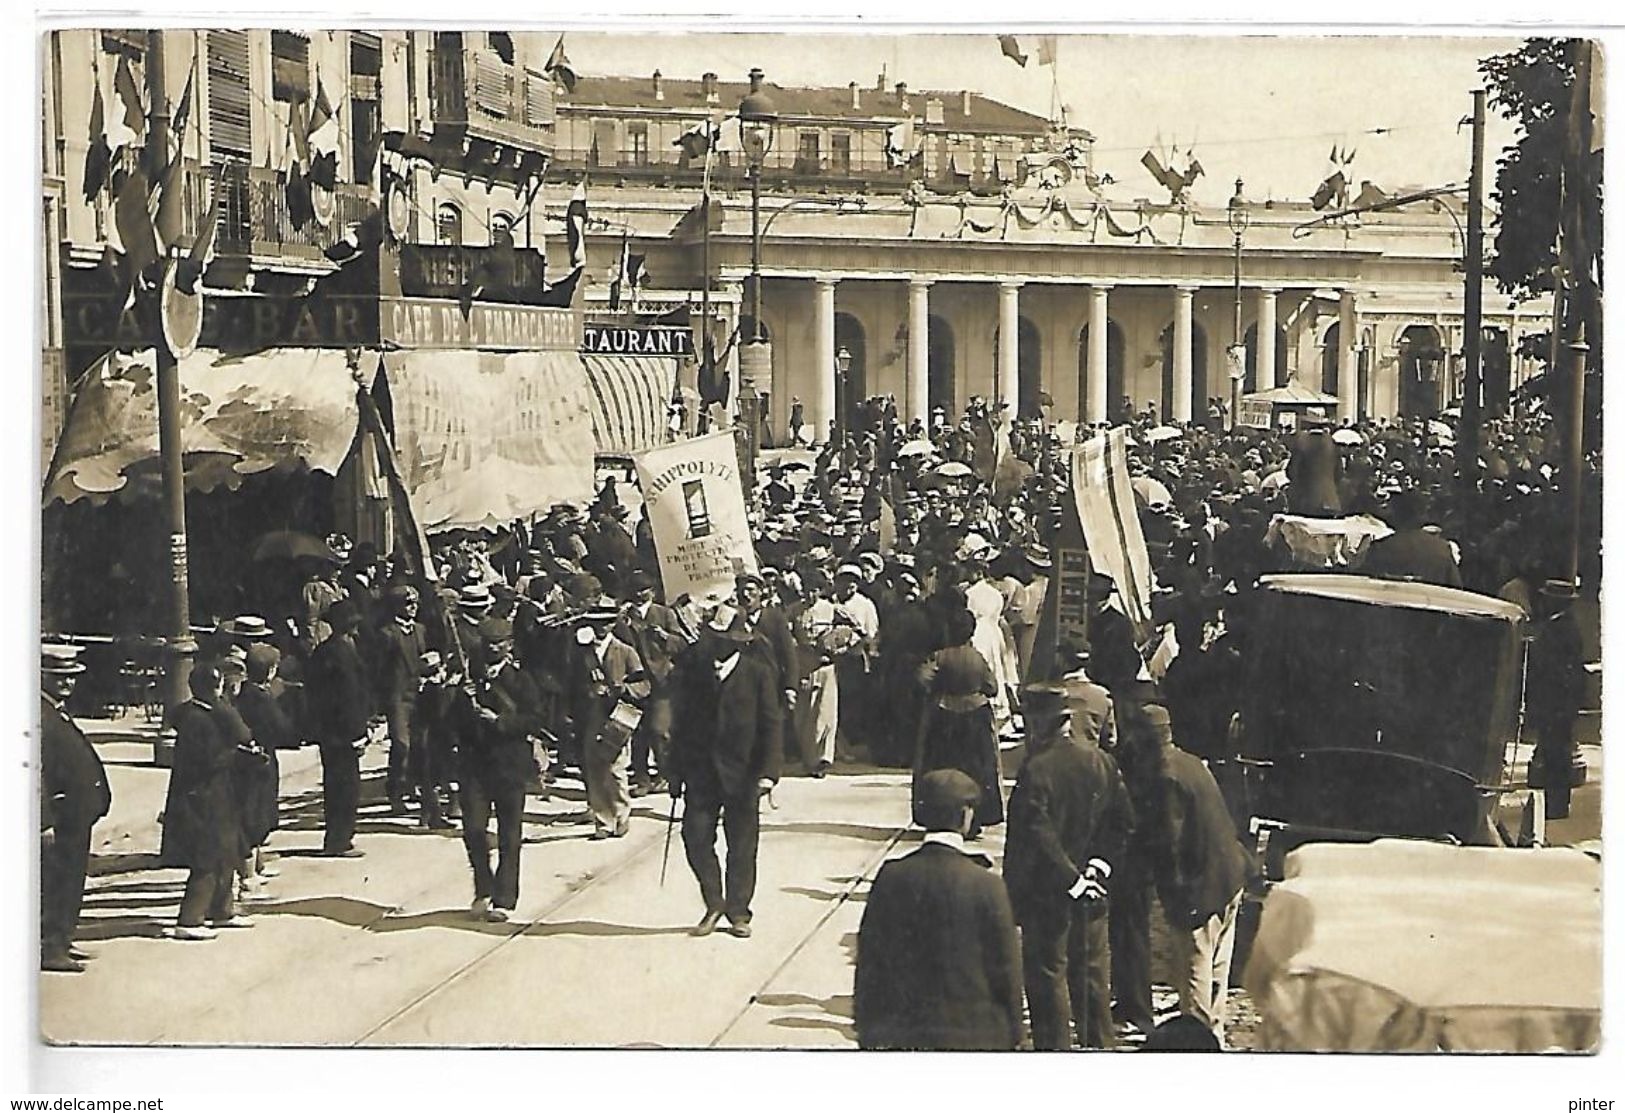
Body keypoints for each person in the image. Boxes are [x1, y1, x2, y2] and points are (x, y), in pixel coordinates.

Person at [1002, 684, 1134, 1050]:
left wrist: (1071, 879)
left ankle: (1055, 1052)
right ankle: (1098, 1047)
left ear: (1039, 722)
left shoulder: (1036, 770)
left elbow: (1037, 834)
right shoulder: (1101, 761)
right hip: (1093, 891)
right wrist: (1097, 868)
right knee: (1092, 974)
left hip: (1046, 894)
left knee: (1048, 976)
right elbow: (1122, 821)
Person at [854, 769, 1023, 1051]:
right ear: (966, 816)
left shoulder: (892, 876)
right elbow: (1006, 971)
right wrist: (1014, 1032)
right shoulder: (987, 885)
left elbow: (871, 960)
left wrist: (867, 1028)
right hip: (973, 1035)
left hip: (904, 1034)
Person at [669, 605, 782, 939]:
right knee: (695, 837)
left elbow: (771, 726)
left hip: (744, 774)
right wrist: (674, 772)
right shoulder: (695, 672)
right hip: (701, 774)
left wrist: (769, 773)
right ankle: (714, 901)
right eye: (716, 640)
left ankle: (738, 911)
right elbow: (681, 725)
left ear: (740, 643)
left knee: (742, 845)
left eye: (727, 641)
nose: (720, 647)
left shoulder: (757, 673)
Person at [1145, 704, 1253, 1044]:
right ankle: (1216, 1039)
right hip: (1230, 878)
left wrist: (1176, 899)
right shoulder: (1189, 762)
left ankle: (1197, 1048)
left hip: (1201, 890)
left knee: (1195, 976)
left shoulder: (1165, 776)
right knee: (1218, 968)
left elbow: (1171, 845)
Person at [460, 617, 543, 921]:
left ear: (509, 645)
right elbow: (449, 722)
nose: (493, 648)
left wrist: (498, 721)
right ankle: (483, 887)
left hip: (509, 765)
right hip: (475, 766)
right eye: (488, 643)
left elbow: (534, 719)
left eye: (499, 642)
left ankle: (504, 899)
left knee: (509, 834)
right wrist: (456, 697)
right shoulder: (469, 679)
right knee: (474, 829)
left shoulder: (522, 680)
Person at [164, 665, 253, 940]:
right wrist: (237, 756)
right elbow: (206, 760)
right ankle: (190, 919)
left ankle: (222, 910)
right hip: (201, 796)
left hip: (217, 793)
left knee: (226, 852)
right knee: (207, 857)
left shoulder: (205, 713)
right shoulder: (196, 720)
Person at [40, 644, 110, 973]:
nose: (68, 683)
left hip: (75, 815)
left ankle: (63, 940)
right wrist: (44, 822)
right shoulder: (38, 715)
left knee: (71, 880)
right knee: (58, 881)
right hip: (59, 817)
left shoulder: (56, 710)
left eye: (71, 677)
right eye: (59, 677)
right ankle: (51, 948)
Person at [913, 607, 1003, 837]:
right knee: (978, 769)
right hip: (976, 717)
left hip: (944, 717)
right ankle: (975, 818)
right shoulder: (977, 657)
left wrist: (938, 689)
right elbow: (992, 688)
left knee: (941, 766)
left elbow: (922, 679)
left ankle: (939, 816)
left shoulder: (939, 655)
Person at [570, 598, 649, 839]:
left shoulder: (625, 651)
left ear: (613, 624)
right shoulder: (581, 651)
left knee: (616, 768)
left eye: (606, 623)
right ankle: (603, 820)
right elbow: (569, 682)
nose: (601, 627)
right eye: (596, 623)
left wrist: (621, 688)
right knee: (593, 768)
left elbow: (644, 686)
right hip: (589, 715)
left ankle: (622, 814)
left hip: (618, 716)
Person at [307, 599, 372, 857]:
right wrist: (358, 732)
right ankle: (339, 839)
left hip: (331, 732)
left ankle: (339, 836)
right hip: (342, 733)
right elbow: (347, 698)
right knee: (344, 787)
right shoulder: (338, 653)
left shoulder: (327, 650)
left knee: (340, 785)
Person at [374, 585, 443, 824]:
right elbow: (379, 671)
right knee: (401, 745)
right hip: (398, 697)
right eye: (407, 603)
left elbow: (427, 655)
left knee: (421, 745)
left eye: (414, 603)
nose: (412, 608)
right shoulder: (387, 634)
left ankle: (415, 786)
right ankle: (395, 790)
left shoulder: (421, 630)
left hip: (420, 694)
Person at [1362, 488, 1464, 587]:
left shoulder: (1381, 548)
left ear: (1395, 516)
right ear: (1422, 516)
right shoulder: (1442, 548)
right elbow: (1456, 589)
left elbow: (1364, 585)